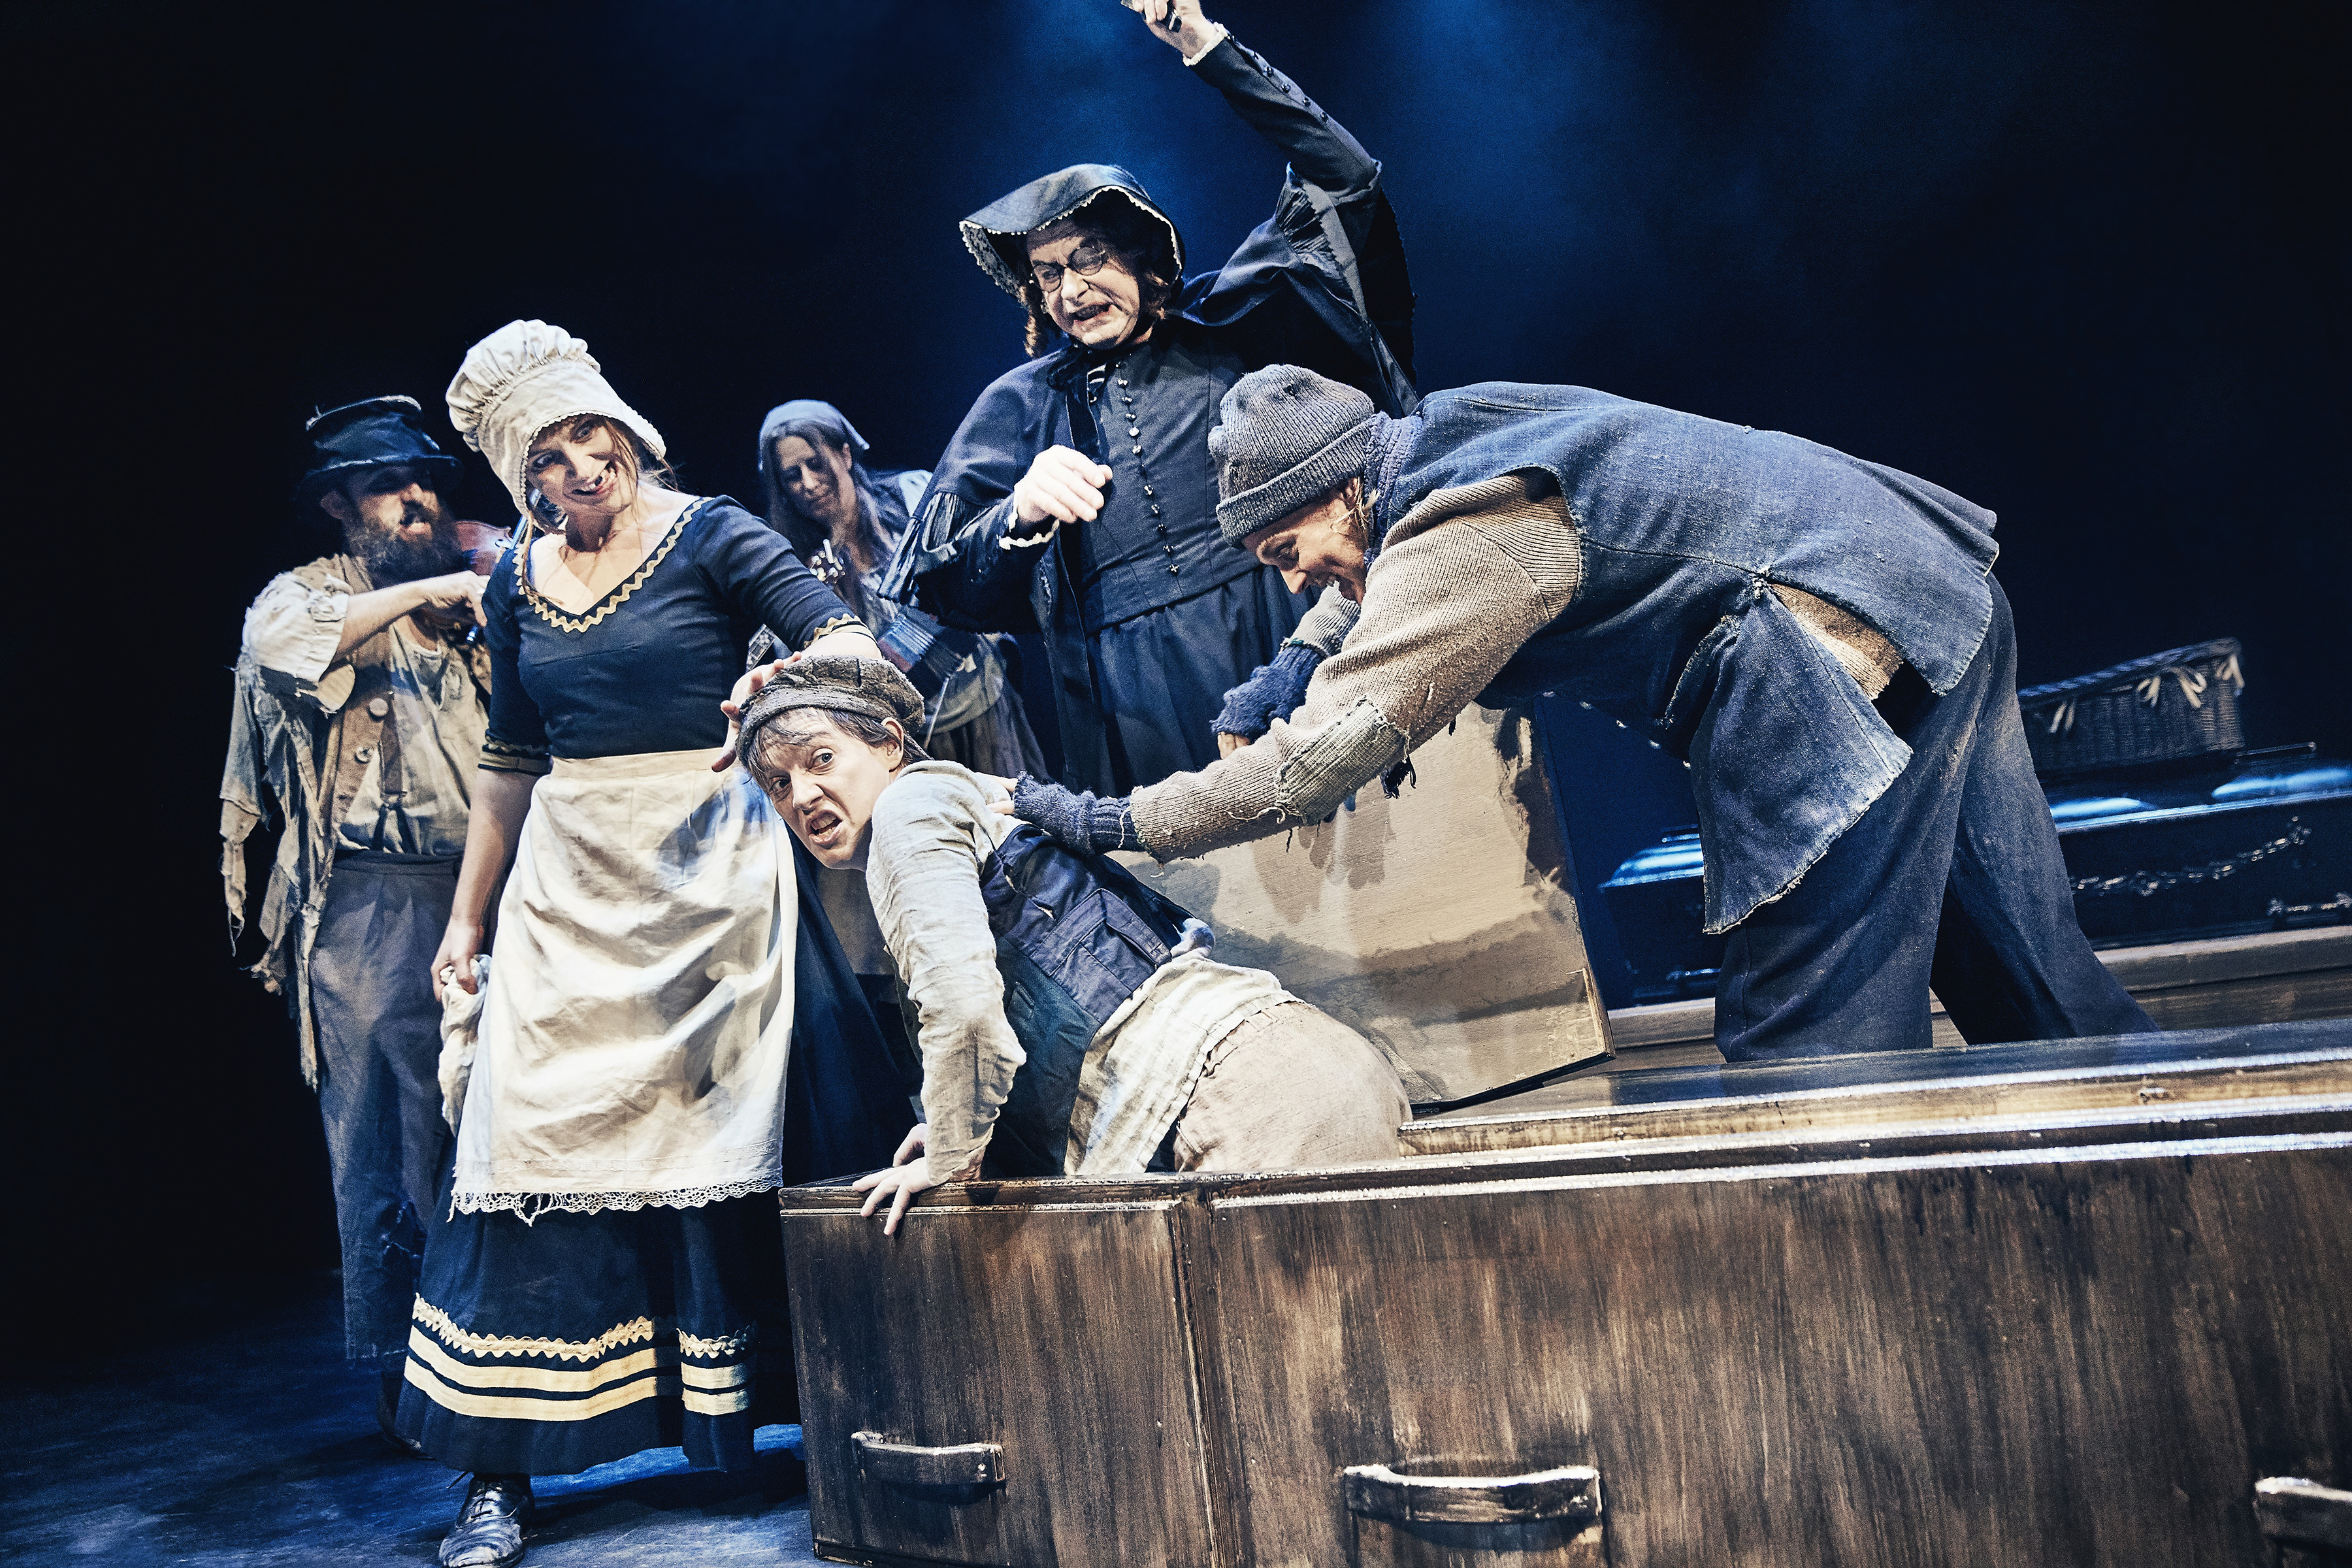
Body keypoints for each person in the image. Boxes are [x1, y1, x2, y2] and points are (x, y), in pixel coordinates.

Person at [1010, 365, 2157, 1063]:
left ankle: (1854, 1340)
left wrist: (1111, 821)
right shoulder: (1449, 433)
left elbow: (1315, 766)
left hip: (1835, 655)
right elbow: (1375, 582)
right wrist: (1290, 665)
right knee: (2036, 981)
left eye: (1285, 551)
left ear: (1346, 489)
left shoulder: (1471, 535)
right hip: (1926, 582)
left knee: (1807, 1037)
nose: (1297, 578)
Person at [400, 321, 907, 1568]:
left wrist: (787, 684)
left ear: (626, 426)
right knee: (525, 1144)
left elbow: (844, 638)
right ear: (521, 475)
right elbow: (511, 758)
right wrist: (466, 920)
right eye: (550, 455)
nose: (584, 466)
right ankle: (501, 1472)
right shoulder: (516, 583)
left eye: (595, 436)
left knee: (779, 1126)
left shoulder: (713, 534)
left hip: (716, 868)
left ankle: (849, 1423)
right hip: (572, 882)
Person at [882, 0, 1417, 796]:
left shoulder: (1236, 322)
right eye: (1048, 275)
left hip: (1290, 622)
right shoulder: (1019, 407)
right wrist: (1018, 515)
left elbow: (1345, 180)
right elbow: (940, 590)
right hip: (1133, 699)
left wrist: (1206, 45)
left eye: (1089, 258)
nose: (1070, 290)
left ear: (1142, 256)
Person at [730, 655, 1411, 1232]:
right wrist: (962, 1122)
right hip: (1295, 1067)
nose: (804, 796)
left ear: (889, 744)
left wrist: (950, 1154)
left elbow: (964, 1012)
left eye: (822, 759)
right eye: (780, 784)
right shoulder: (966, 802)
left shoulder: (908, 808)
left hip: (1241, 1100)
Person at [220, 395, 506, 1456]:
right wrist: (437, 587)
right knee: (387, 1136)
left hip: (493, 895)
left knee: (495, 1129)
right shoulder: (311, 593)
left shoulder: (480, 589)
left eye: (424, 480)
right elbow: (277, 649)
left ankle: (515, 1353)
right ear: (341, 505)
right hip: (372, 906)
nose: (416, 498)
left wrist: (484, 588)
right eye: (388, 485)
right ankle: (409, 1372)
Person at [755, 399, 1044, 776]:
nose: (808, 484)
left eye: (816, 463)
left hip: (984, 706)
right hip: (906, 742)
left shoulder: (913, 496)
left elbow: (973, 571)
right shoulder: (794, 565)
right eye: (792, 476)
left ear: (845, 455)